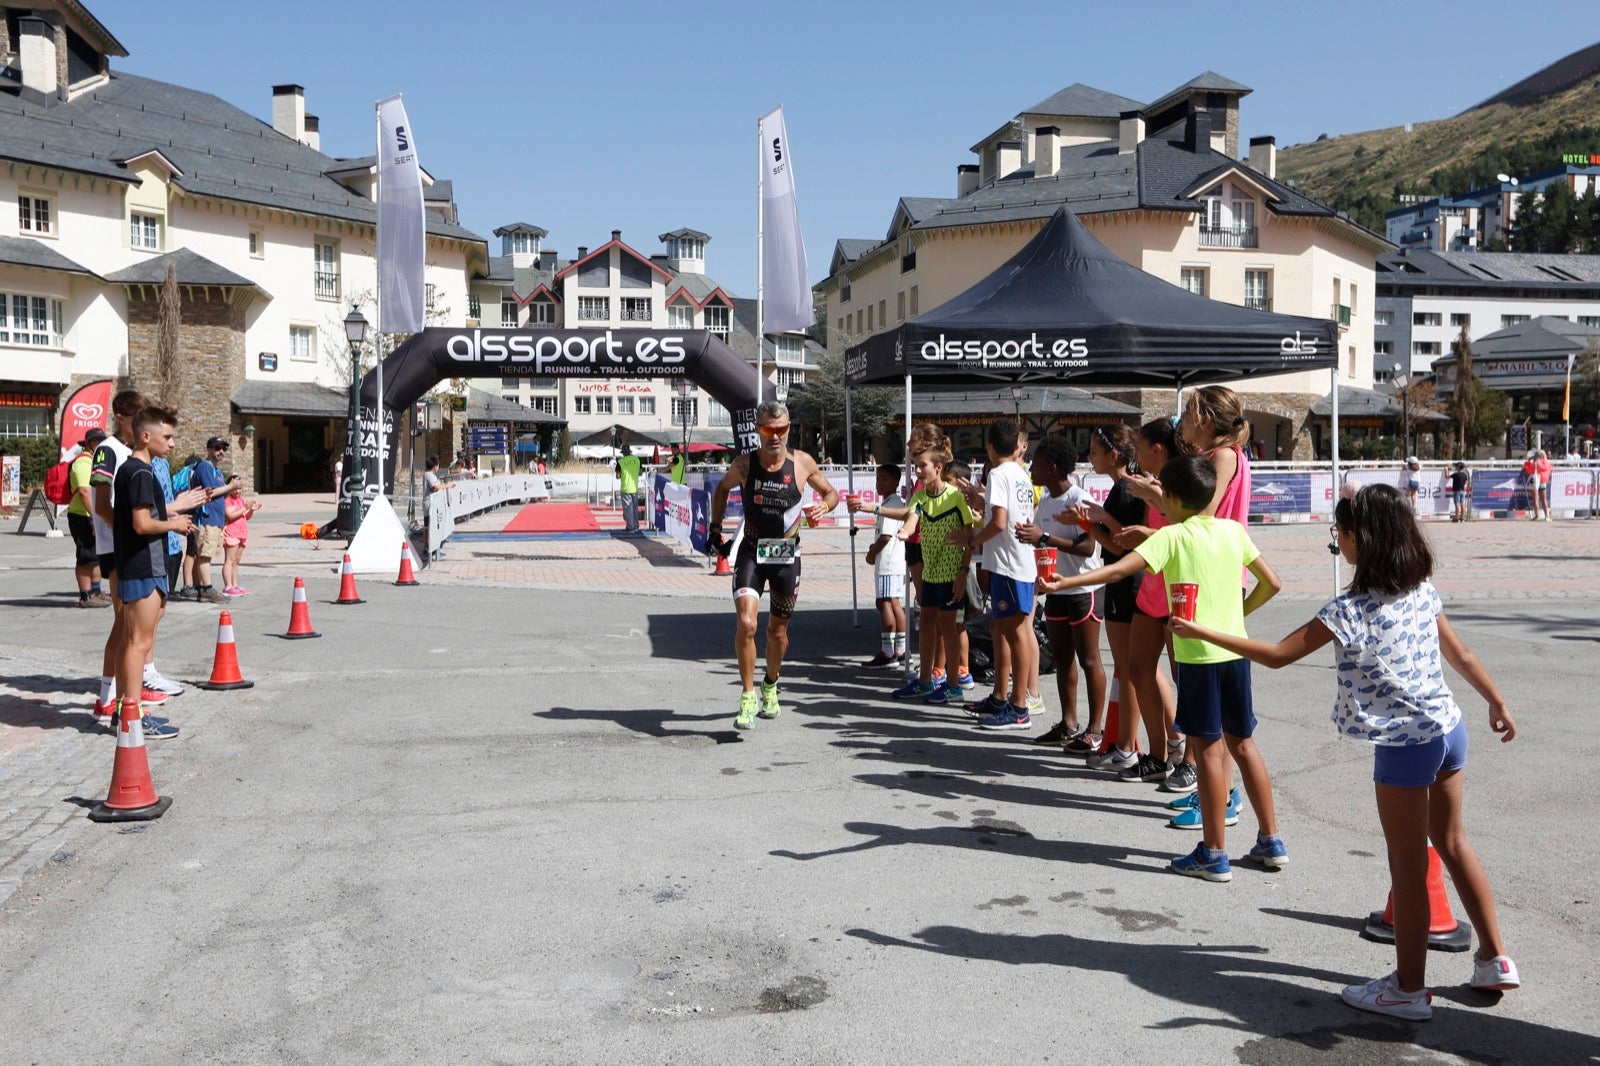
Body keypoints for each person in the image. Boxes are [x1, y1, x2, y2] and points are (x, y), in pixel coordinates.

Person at [1172, 482, 1519, 1020]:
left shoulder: (1348, 610)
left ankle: (1408, 990)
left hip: (1406, 745)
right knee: (1453, 842)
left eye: (1341, 533)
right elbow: (1463, 655)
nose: (1339, 542)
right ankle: (1495, 958)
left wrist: (1204, 632)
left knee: (1408, 868)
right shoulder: (1421, 590)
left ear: (1361, 538)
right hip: (1450, 730)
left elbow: (1277, 655)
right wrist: (1496, 700)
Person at [1044, 454, 1285, 882]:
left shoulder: (1171, 537)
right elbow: (1273, 583)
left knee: (1208, 753)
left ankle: (1214, 853)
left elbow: (1117, 569)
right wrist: (1238, 616)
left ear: (1168, 497)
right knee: (1244, 745)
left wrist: (1065, 582)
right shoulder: (1233, 531)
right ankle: (1271, 839)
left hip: (1198, 660)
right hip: (1235, 654)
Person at [707, 401, 839, 729]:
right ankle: (747, 695)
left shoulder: (802, 462)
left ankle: (770, 683)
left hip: (785, 555)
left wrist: (824, 506)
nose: (775, 436)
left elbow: (831, 493)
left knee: (777, 633)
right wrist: (715, 528)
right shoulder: (744, 465)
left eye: (781, 429)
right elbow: (721, 490)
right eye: (768, 430)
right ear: (758, 430)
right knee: (746, 623)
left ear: (789, 428)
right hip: (752, 551)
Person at [852, 435, 973, 705]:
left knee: (948, 627)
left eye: (922, 466)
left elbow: (969, 536)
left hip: (951, 573)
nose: (917, 471)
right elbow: (911, 518)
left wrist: (963, 571)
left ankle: (954, 685)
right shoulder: (919, 496)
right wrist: (905, 532)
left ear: (938, 468)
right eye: (916, 466)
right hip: (930, 572)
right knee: (927, 623)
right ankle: (925, 681)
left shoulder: (955, 498)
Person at [110, 406, 197, 737]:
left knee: (130, 641)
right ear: (146, 436)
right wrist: (174, 524)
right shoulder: (141, 473)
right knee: (138, 643)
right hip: (143, 566)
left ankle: (125, 711)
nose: (172, 444)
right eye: (168, 437)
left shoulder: (132, 470)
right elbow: (142, 523)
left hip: (139, 564)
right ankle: (133, 718)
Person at [1014, 433, 1105, 749]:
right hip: (1056, 589)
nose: (1031, 470)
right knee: (1063, 659)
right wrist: (1029, 538)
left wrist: (1043, 538)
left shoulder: (1079, 497)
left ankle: (1095, 730)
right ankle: (1068, 724)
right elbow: (1042, 543)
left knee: (1089, 659)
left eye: (1036, 464)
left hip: (1083, 588)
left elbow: (1088, 546)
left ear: (1052, 467)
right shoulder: (1046, 500)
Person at [956, 418, 1038, 730]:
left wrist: (972, 540)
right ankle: (1001, 697)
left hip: (1010, 564)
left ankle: (1019, 706)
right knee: (1000, 628)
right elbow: (1006, 513)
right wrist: (981, 500)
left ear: (989, 446)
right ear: (1016, 445)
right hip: (1013, 562)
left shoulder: (999, 473)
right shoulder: (1018, 473)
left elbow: (1000, 523)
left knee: (1015, 633)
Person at [1075, 426, 1148, 765]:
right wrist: (1088, 524)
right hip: (1127, 580)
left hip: (1126, 583)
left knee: (1130, 669)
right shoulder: (1126, 486)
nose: (1089, 457)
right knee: (1132, 669)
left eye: (1094, 451)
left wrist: (1097, 520)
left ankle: (1128, 746)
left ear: (1114, 455)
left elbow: (1122, 544)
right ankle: (1123, 741)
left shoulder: (1125, 488)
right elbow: (1116, 543)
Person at [862, 463, 907, 669]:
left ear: (896, 482)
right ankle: (900, 650)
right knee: (892, 602)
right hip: (892, 562)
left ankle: (889, 652)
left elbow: (886, 536)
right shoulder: (892, 503)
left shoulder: (892, 505)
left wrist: (872, 553)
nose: (879, 483)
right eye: (878, 479)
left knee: (885, 603)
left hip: (888, 562)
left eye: (885, 479)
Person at [193, 436, 241, 604]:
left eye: (223, 449)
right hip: (207, 518)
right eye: (217, 448)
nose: (221, 451)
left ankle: (203, 588)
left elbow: (220, 494)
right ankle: (207, 589)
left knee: (208, 554)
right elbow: (210, 492)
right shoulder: (205, 467)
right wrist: (231, 486)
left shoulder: (217, 471)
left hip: (216, 519)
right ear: (209, 449)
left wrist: (230, 490)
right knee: (205, 554)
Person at [67, 428, 110, 608]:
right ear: (88, 443)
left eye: (102, 440)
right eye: (96, 440)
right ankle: (85, 596)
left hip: (91, 515)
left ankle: (96, 591)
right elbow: (85, 492)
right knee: (85, 556)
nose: (99, 443)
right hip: (82, 515)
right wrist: (95, 518)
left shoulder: (94, 461)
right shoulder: (83, 462)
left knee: (95, 555)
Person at [221, 494, 260, 596]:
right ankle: (228, 586)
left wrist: (251, 510)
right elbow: (230, 516)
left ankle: (235, 585)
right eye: (236, 488)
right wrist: (245, 507)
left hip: (241, 534)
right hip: (231, 533)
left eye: (240, 489)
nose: (238, 491)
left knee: (236, 561)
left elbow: (245, 516)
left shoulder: (240, 500)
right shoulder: (227, 500)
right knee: (229, 560)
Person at [616, 444, 642, 533]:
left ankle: (630, 527)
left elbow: (618, 476)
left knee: (628, 509)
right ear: (630, 452)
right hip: (635, 487)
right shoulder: (637, 460)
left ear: (623, 453)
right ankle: (636, 526)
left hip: (626, 488)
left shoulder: (620, 462)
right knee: (635, 508)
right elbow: (640, 473)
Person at [1534, 448, 1552, 521]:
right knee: (1544, 499)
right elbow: (1549, 471)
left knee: (1536, 499)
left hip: (1535, 480)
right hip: (1543, 481)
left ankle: (1537, 516)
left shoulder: (1535, 462)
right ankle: (1547, 516)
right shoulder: (1548, 463)